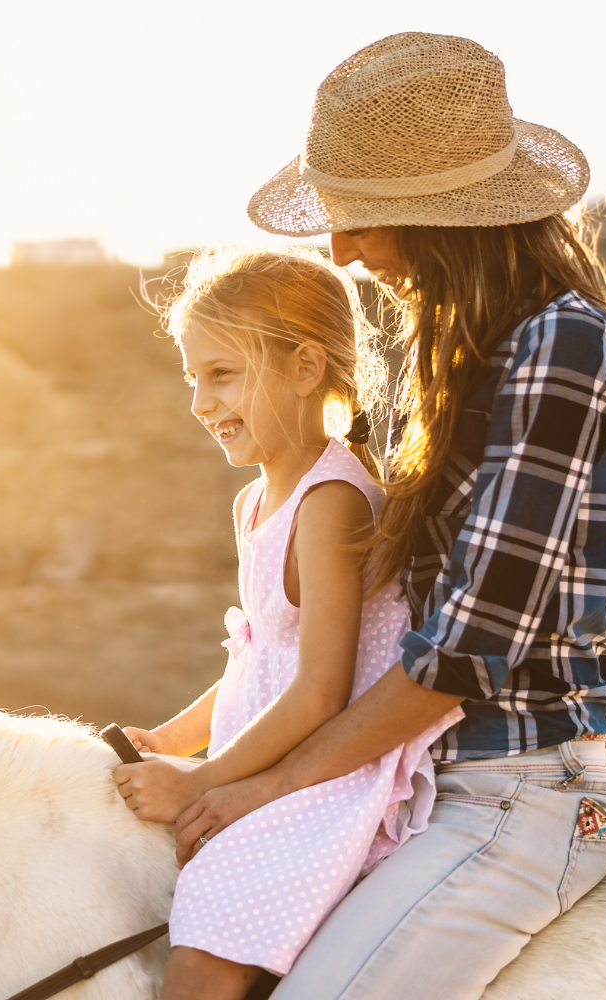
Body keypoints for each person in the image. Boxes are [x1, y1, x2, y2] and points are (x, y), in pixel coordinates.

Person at [170, 32, 606, 999]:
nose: (337, 253)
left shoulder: (563, 347)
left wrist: (256, 785)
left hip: (516, 791)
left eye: (359, 221)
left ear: (447, 218)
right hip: (406, 782)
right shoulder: (439, 358)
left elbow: (467, 653)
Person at [112, 246, 463, 1000]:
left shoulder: (329, 501)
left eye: (223, 375)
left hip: (327, 777)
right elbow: (256, 655)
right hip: (268, 761)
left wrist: (201, 780)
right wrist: (168, 741)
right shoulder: (256, 502)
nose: (201, 403)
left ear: (306, 370)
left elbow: (319, 694)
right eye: (193, 379)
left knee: (204, 954)